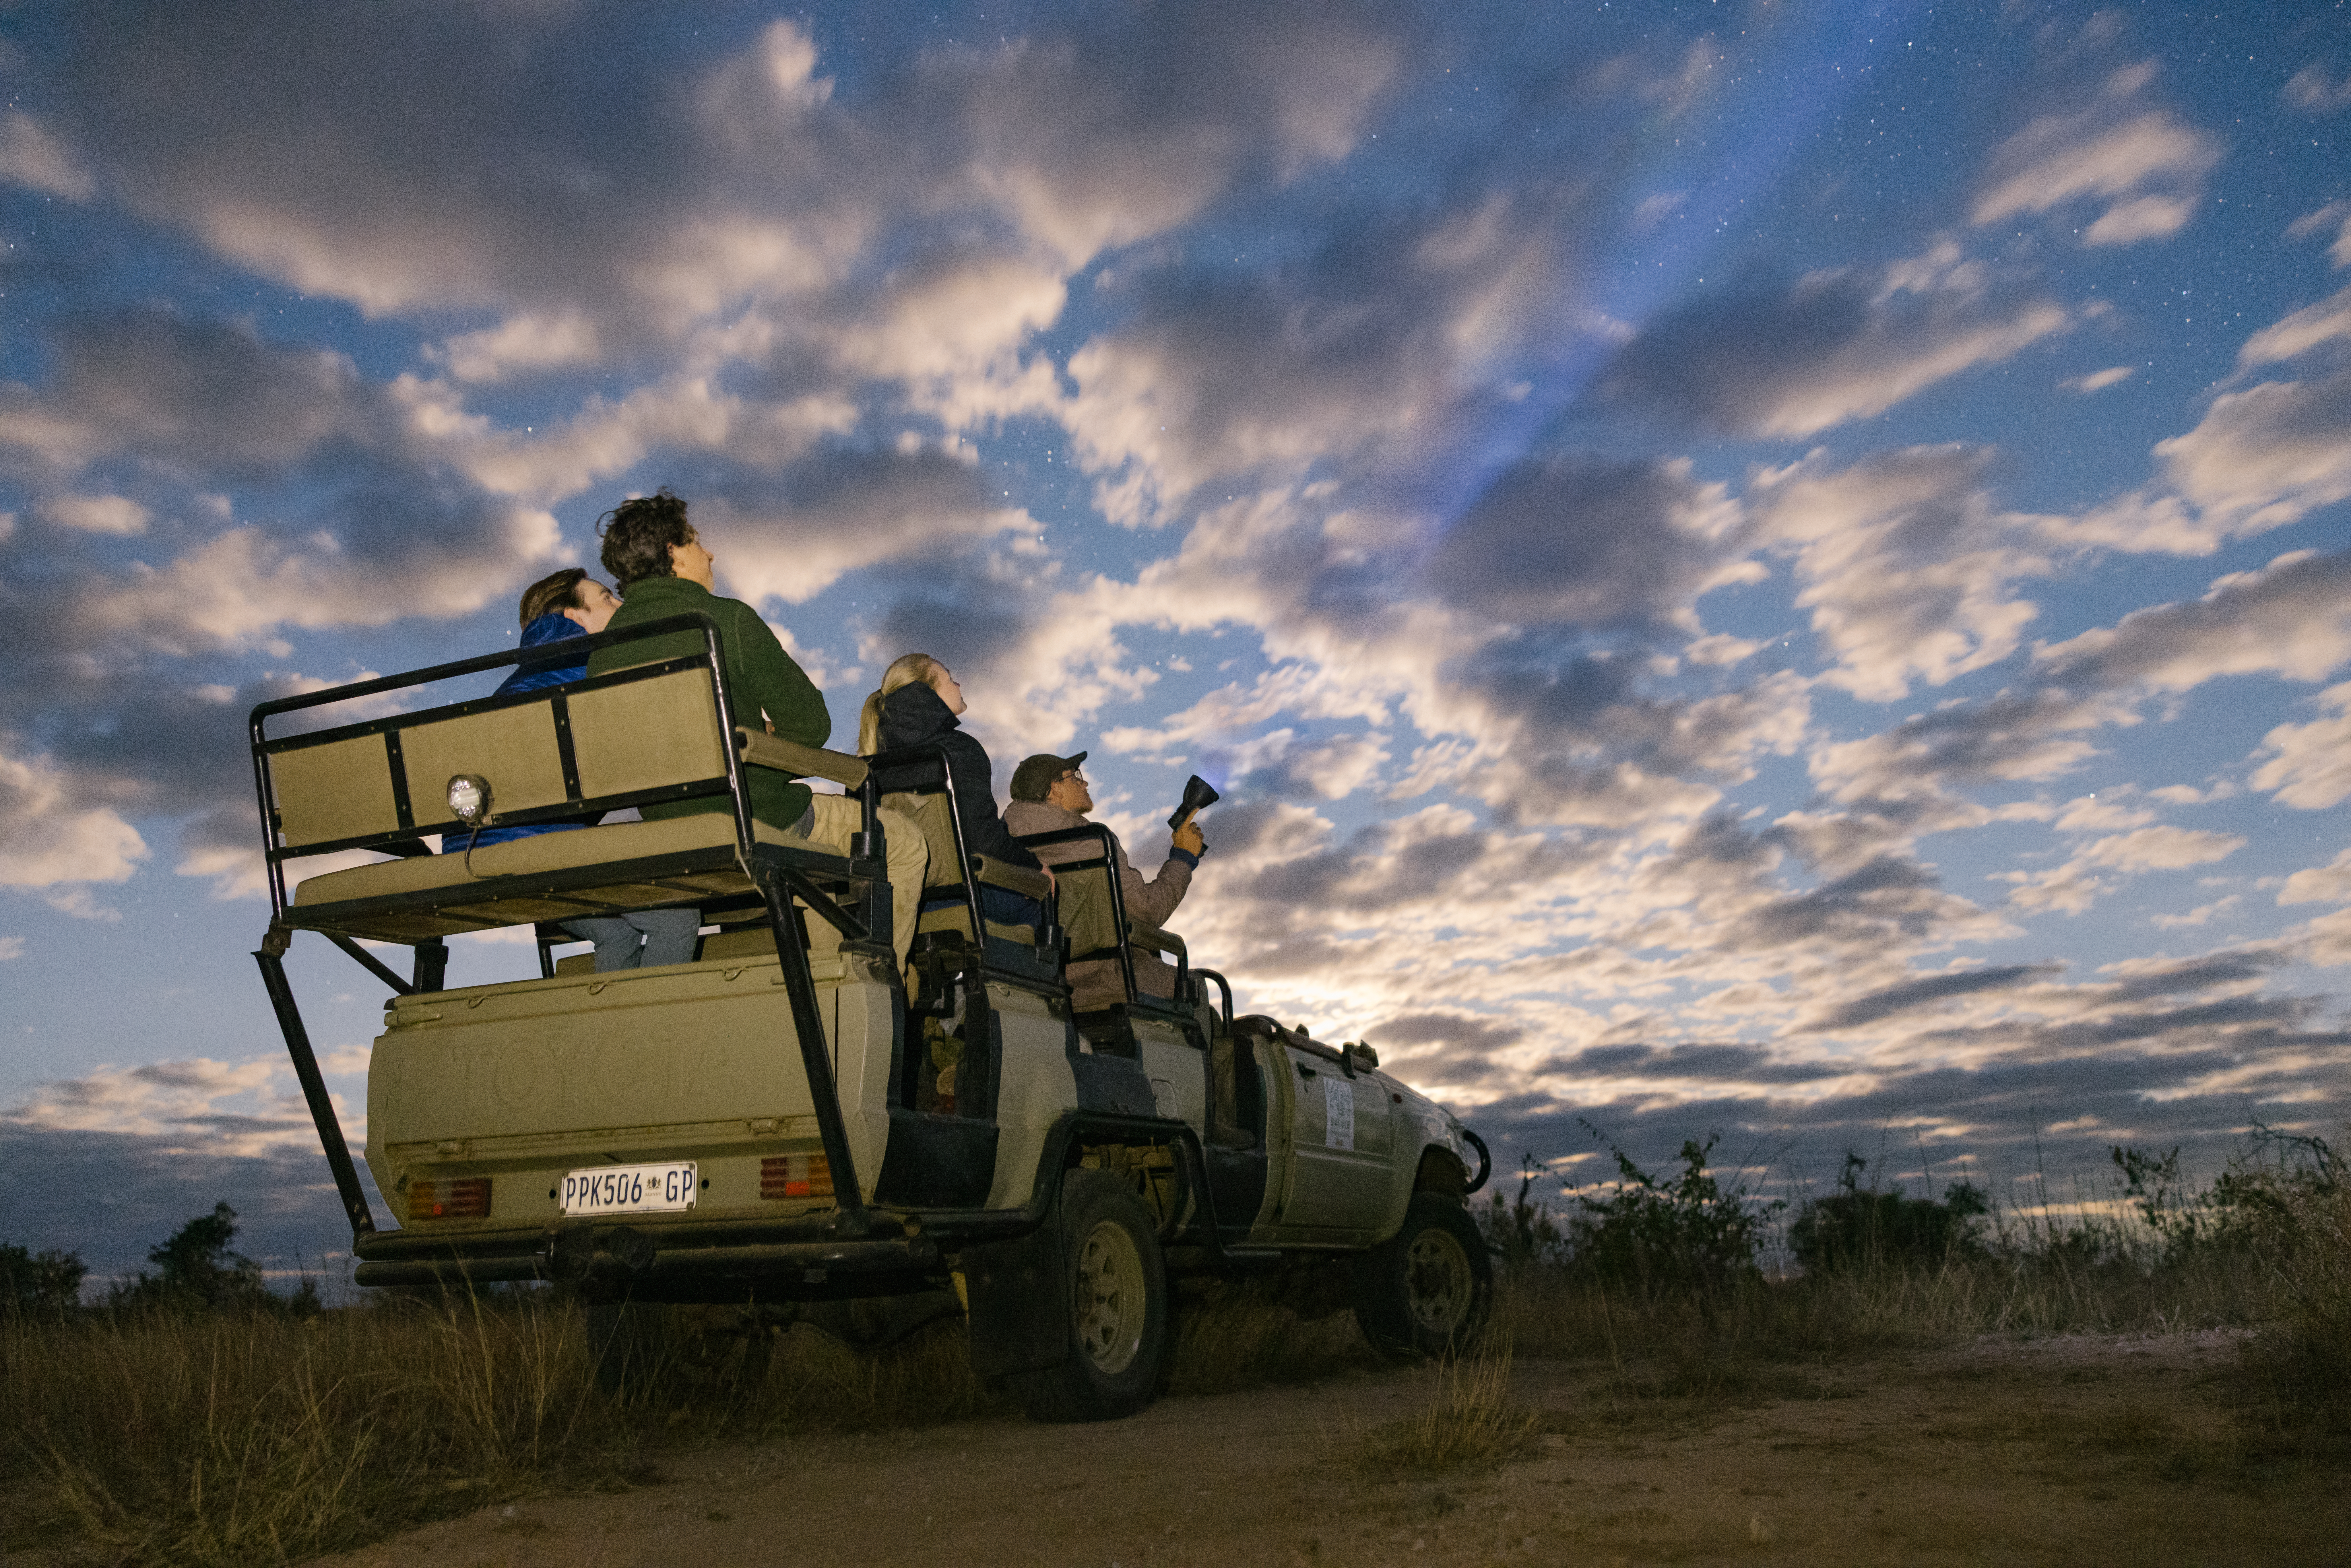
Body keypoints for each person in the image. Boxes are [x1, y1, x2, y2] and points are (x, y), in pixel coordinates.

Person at [585, 490, 925, 967]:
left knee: (814, 869)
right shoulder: (727, 619)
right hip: (755, 820)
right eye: (698, 541)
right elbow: (810, 725)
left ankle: (838, 993)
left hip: (669, 827)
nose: (710, 553)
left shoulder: (604, 654)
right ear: (673, 553)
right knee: (907, 842)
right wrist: (758, 733)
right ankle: (876, 986)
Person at [436, 567, 691, 973]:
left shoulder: (519, 683)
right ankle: (647, 1032)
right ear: (573, 618)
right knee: (678, 920)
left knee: (615, 932)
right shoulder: (594, 670)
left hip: (476, 850)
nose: (621, 605)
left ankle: (619, 1027)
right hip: (543, 854)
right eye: (607, 598)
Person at [1004, 752, 1204, 1012]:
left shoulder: (1005, 841)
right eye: (1075, 777)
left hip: (1039, 974)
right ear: (1055, 790)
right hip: (1107, 979)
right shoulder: (1094, 841)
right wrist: (1183, 858)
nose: (1084, 784)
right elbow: (1147, 911)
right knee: (1199, 987)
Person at [862, 653, 1048, 930]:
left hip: (895, 899)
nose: (958, 683)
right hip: (961, 897)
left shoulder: (871, 763)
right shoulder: (957, 750)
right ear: (928, 692)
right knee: (1044, 902)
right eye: (949, 678)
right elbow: (982, 838)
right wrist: (1034, 868)